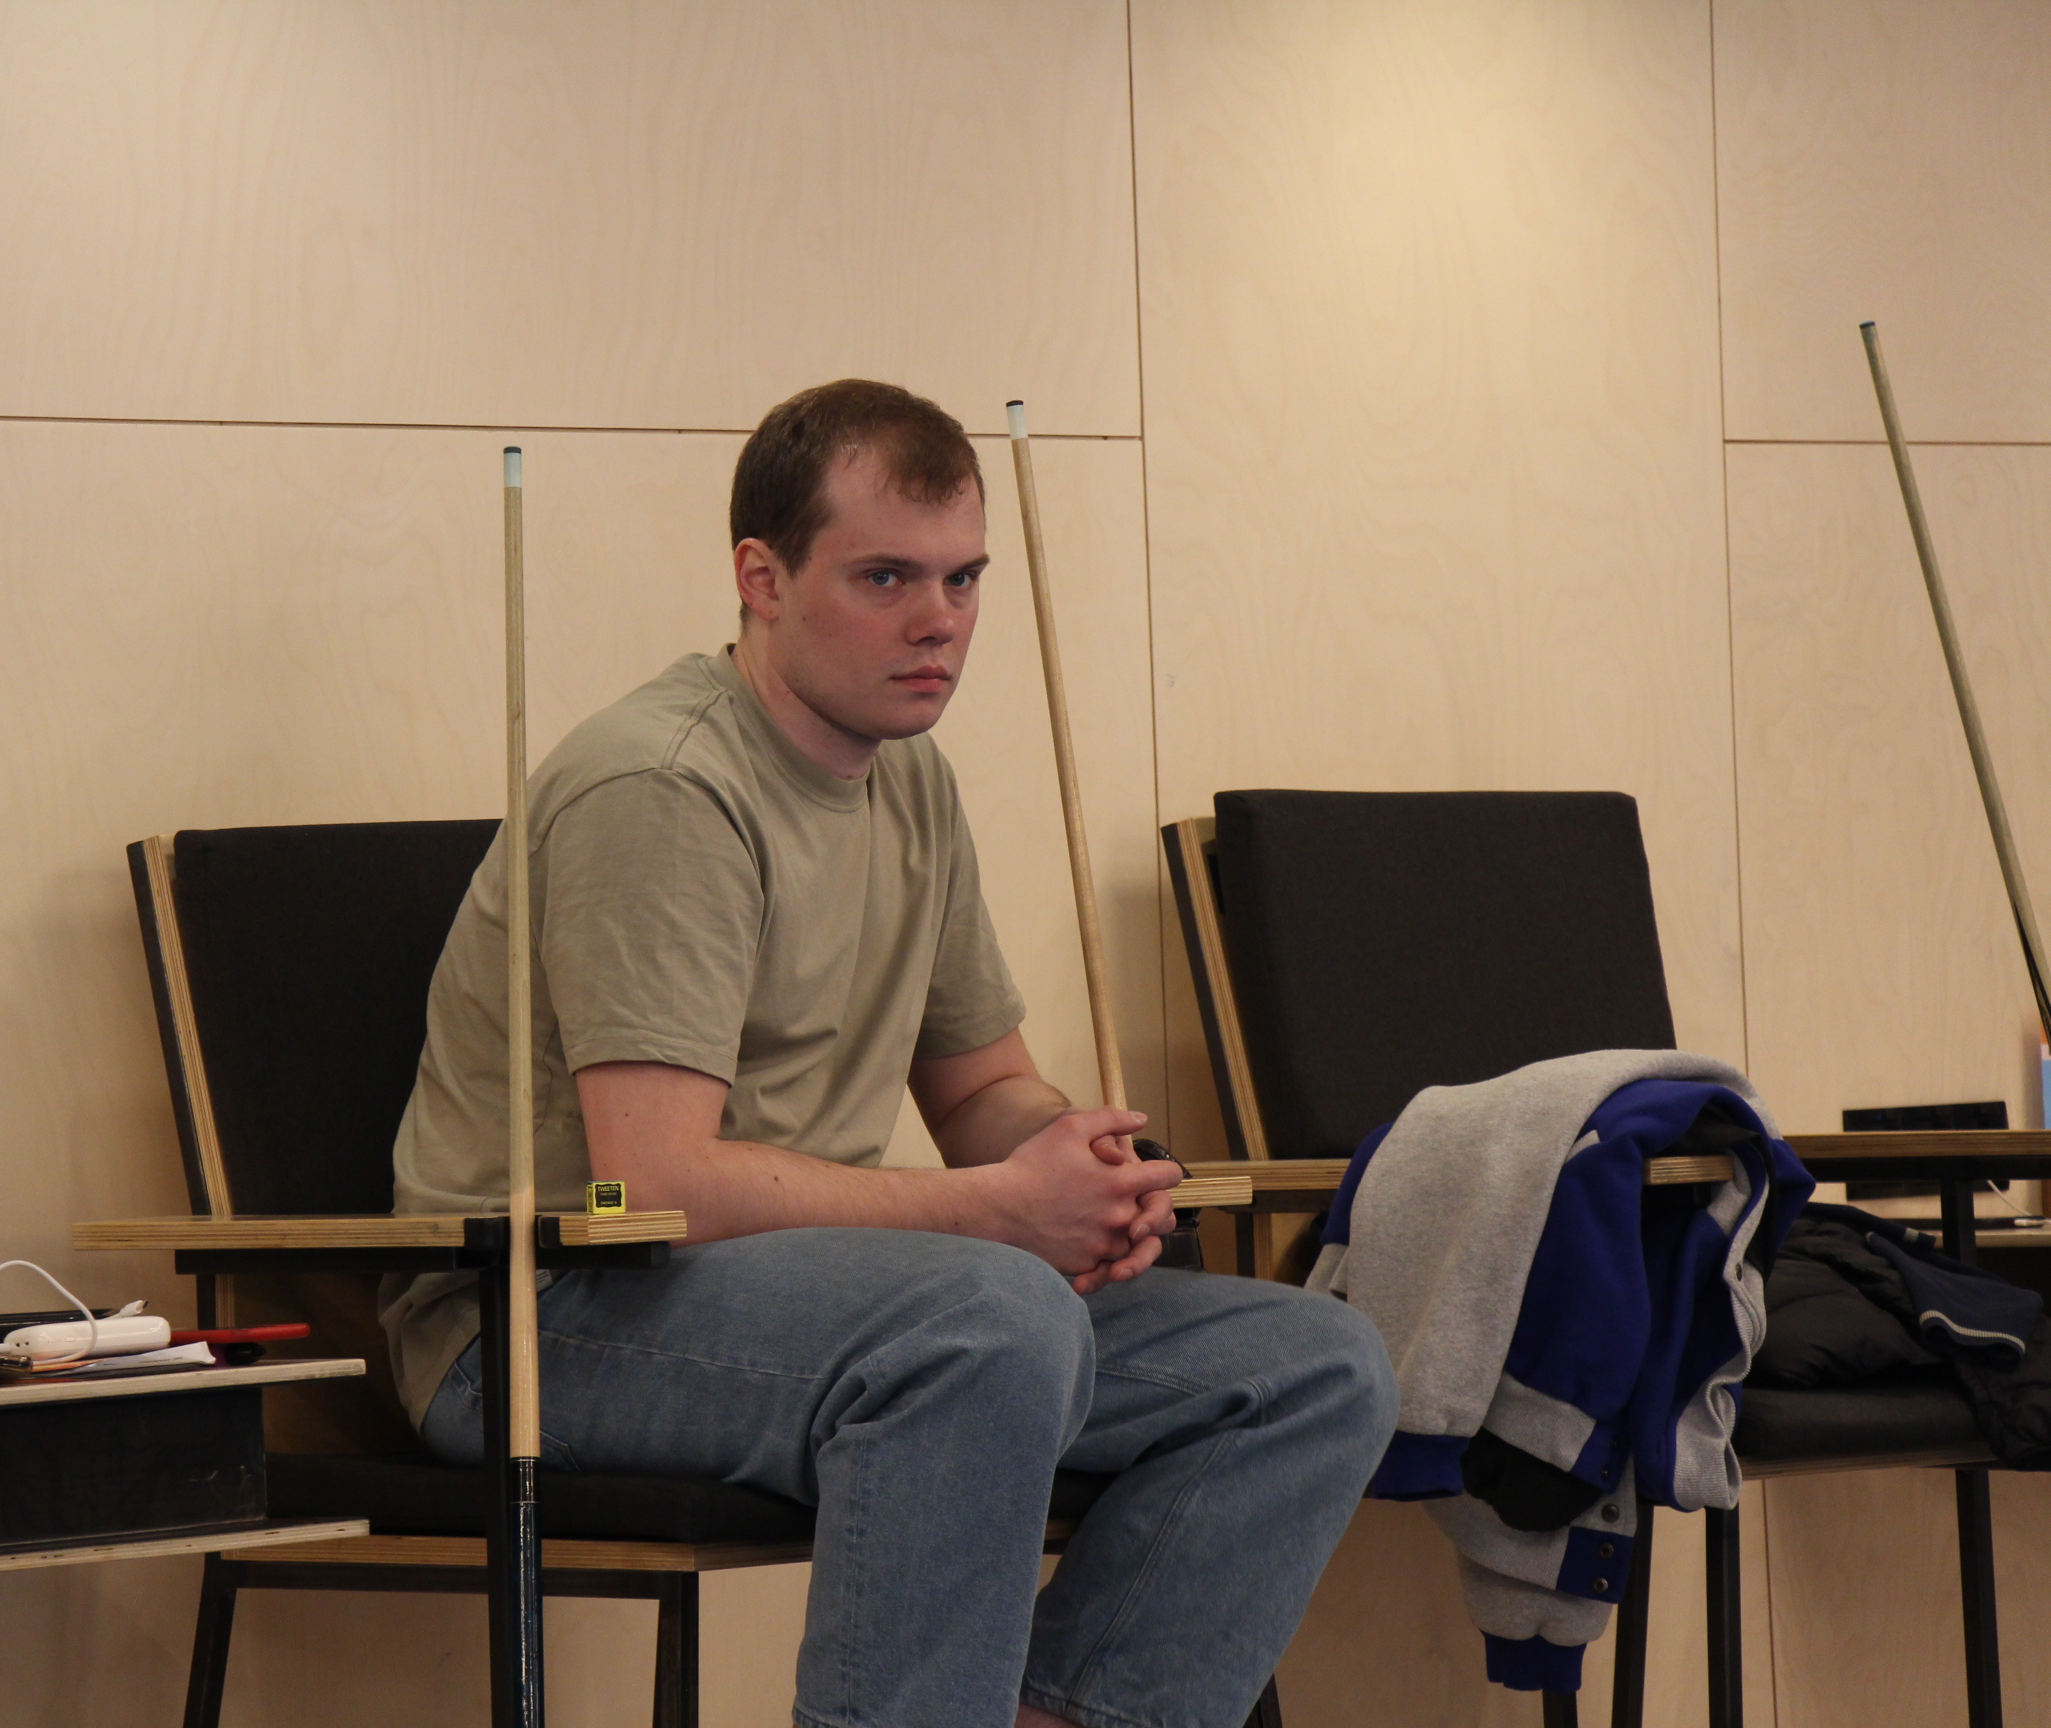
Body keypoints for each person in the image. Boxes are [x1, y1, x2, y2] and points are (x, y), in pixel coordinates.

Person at [382, 379, 1396, 1728]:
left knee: (1316, 1367)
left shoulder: (908, 775)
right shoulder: (663, 788)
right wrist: (1000, 1213)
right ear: (761, 578)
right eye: (886, 578)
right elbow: (649, 1185)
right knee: (991, 1321)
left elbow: (983, 1090)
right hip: (542, 1316)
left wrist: (1073, 1161)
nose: (940, 622)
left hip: (819, 1298)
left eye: (963, 578)